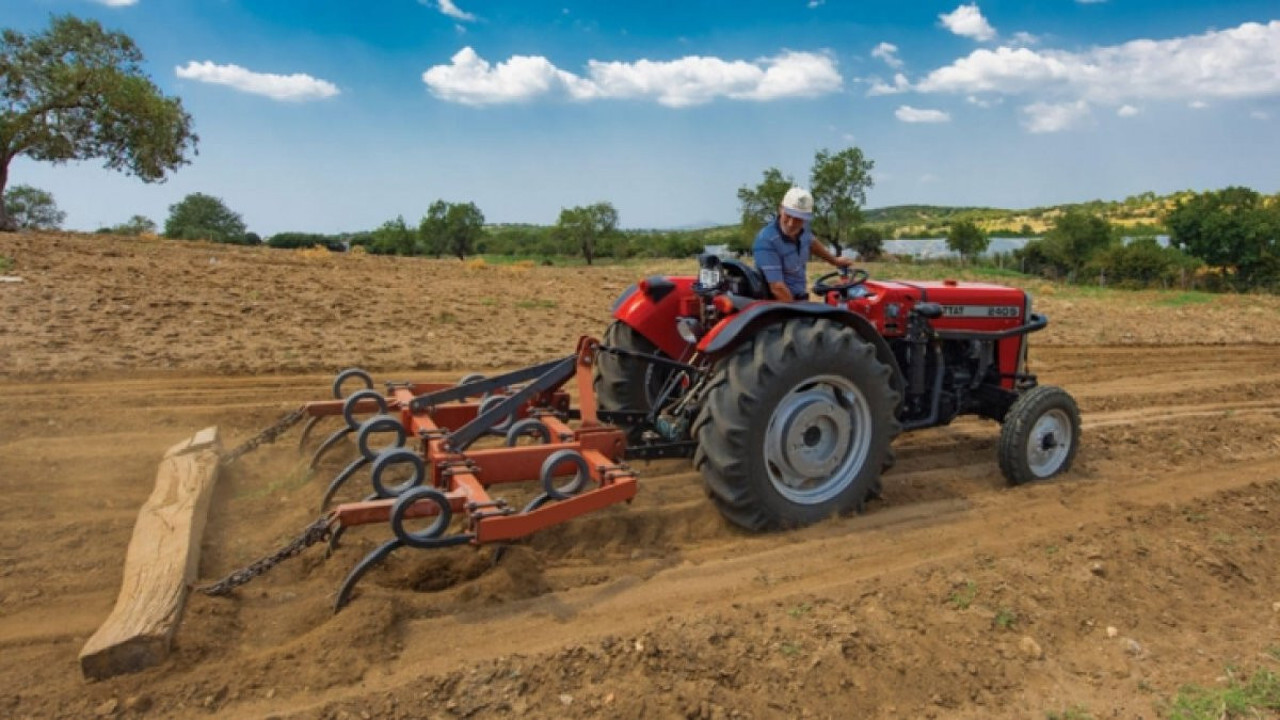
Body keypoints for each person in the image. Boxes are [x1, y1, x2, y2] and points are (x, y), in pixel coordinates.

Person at [752, 187, 853, 302]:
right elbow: (777, 288)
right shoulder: (766, 241)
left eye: (798, 219)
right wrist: (799, 314)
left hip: (801, 297)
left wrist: (835, 261)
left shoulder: (803, 228)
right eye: (788, 216)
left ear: (806, 219)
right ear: (781, 209)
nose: (791, 224)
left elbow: (811, 242)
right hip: (781, 306)